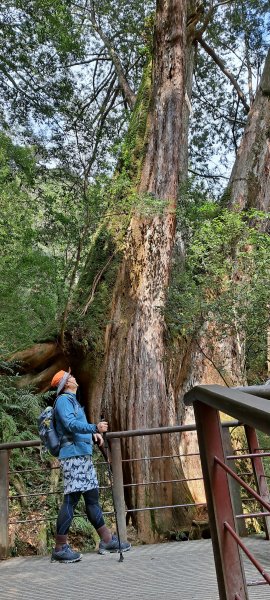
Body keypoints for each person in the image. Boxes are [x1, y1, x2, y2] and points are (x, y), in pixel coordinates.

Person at [50, 369, 131, 563]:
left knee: (92, 497)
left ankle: (106, 540)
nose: (75, 377)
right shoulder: (63, 401)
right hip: (73, 456)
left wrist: (91, 435)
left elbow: (77, 427)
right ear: (66, 383)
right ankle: (60, 547)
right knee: (71, 499)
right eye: (71, 377)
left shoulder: (73, 401)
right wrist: (94, 427)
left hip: (82, 456)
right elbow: (69, 425)